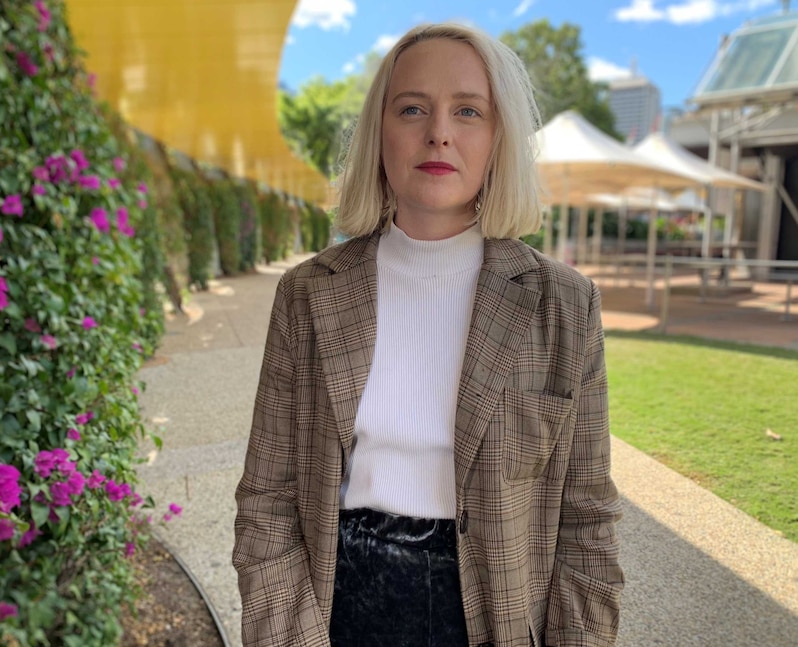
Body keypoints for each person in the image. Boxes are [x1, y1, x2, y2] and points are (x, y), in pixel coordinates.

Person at [233, 21, 624, 647]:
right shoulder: (307, 294)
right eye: (412, 107)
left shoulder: (564, 305)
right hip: (337, 612)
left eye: (468, 110)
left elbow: (586, 522)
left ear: (499, 138)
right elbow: (268, 500)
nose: (439, 131)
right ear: (378, 133)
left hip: (493, 612)